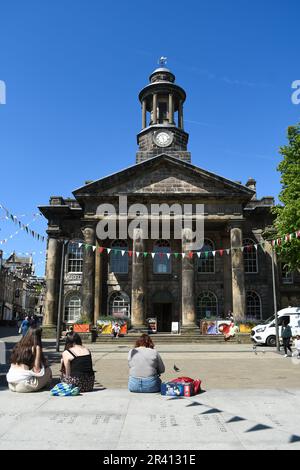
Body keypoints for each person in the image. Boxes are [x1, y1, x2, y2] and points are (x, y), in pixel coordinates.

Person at [7, 327, 52, 393]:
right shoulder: (36, 347)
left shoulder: (18, 345)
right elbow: (37, 370)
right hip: (24, 385)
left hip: (11, 383)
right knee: (48, 370)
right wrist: (44, 364)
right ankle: (45, 384)